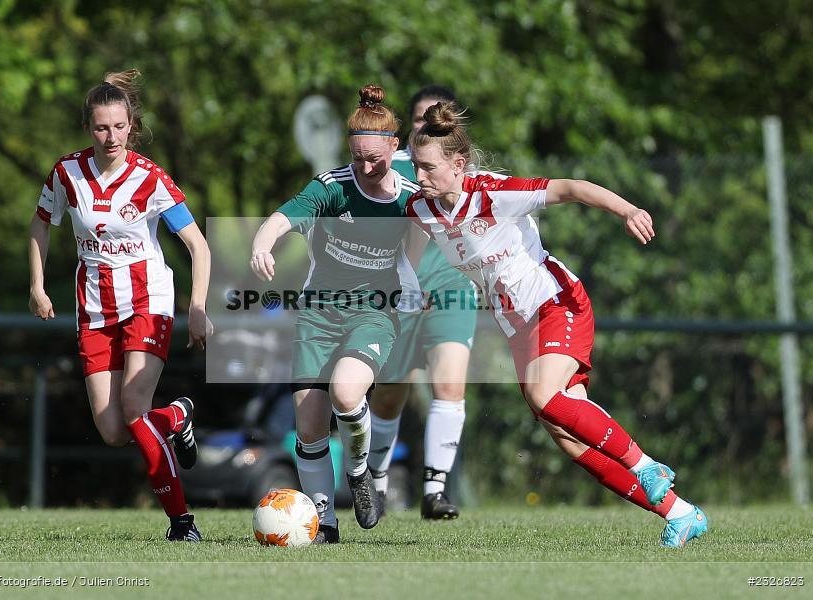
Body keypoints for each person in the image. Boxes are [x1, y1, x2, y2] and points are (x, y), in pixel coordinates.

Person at [403, 101, 708, 548]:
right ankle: (681, 513)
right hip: (518, 325)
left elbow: (572, 187)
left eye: (428, 167)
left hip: (556, 302)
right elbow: (407, 259)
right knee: (567, 436)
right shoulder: (422, 209)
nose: (420, 176)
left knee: (546, 396)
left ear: (458, 164)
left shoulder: (492, 193)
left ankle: (647, 466)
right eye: (415, 166)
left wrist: (627, 211)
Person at [27, 69, 212, 542]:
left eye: (119, 127)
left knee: (133, 406)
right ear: (89, 128)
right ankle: (176, 416)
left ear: (133, 125)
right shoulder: (67, 172)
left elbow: (198, 246)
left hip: (148, 301)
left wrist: (199, 305)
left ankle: (181, 522)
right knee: (112, 430)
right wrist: (38, 285)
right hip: (93, 310)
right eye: (101, 127)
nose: (111, 137)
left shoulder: (150, 178)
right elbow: (41, 223)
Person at [250, 84, 420, 544]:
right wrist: (263, 242)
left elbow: (450, 231)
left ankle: (360, 472)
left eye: (375, 159)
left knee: (347, 392)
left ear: (394, 148)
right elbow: (286, 215)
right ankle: (324, 523)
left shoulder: (410, 198)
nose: (365, 168)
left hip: (375, 314)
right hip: (319, 316)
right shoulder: (332, 187)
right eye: (357, 157)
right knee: (308, 424)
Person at [369, 85, 477, 519]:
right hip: (400, 291)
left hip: (451, 286)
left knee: (449, 386)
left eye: (432, 119)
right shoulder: (388, 166)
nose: (423, 126)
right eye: (417, 118)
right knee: (391, 394)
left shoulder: (460, 168)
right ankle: (374, 485)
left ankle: (434, 490)